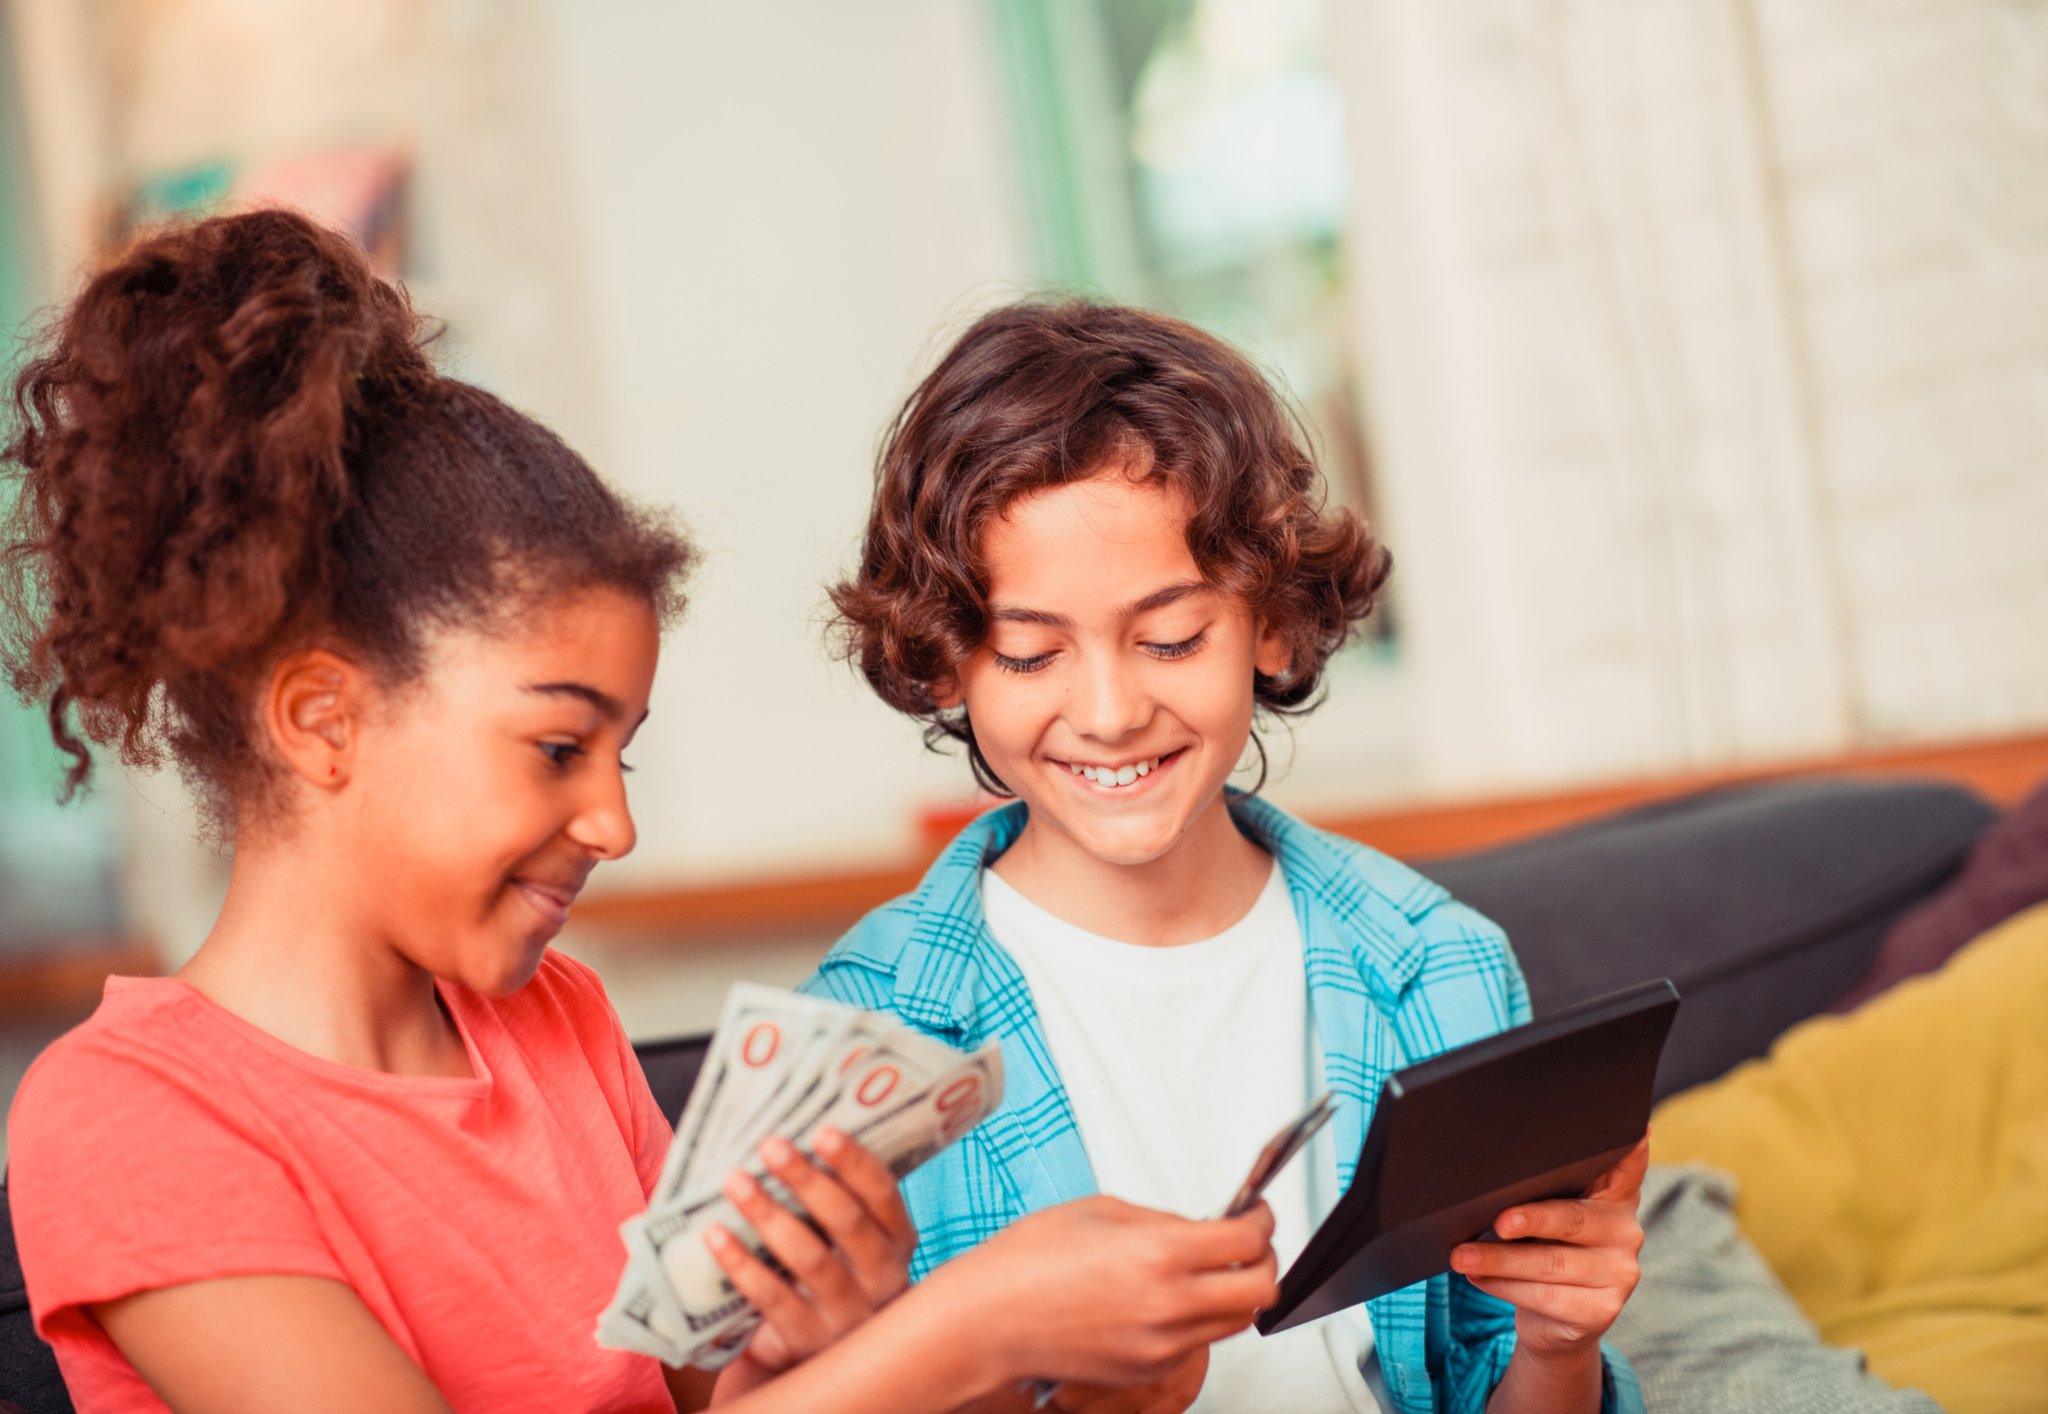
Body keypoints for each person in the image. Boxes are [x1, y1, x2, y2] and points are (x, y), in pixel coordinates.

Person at [0, 211, 1277, 1414]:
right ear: (323, 721)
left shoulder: (557, 1023)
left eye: (624, 755)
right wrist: (958, 1334)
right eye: (558, 746)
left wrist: (904, 1355)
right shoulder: (131, 1115)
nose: (612, 824)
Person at [806, 300, 1650, 1414]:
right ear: (948, 664)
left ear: (1273, 624)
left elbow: (1493, 1381)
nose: (1108, 711)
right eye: (1028, 652)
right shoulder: (867, 1031)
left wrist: (1556, 1343)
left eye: (1171, 638)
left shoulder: (1441, 963)